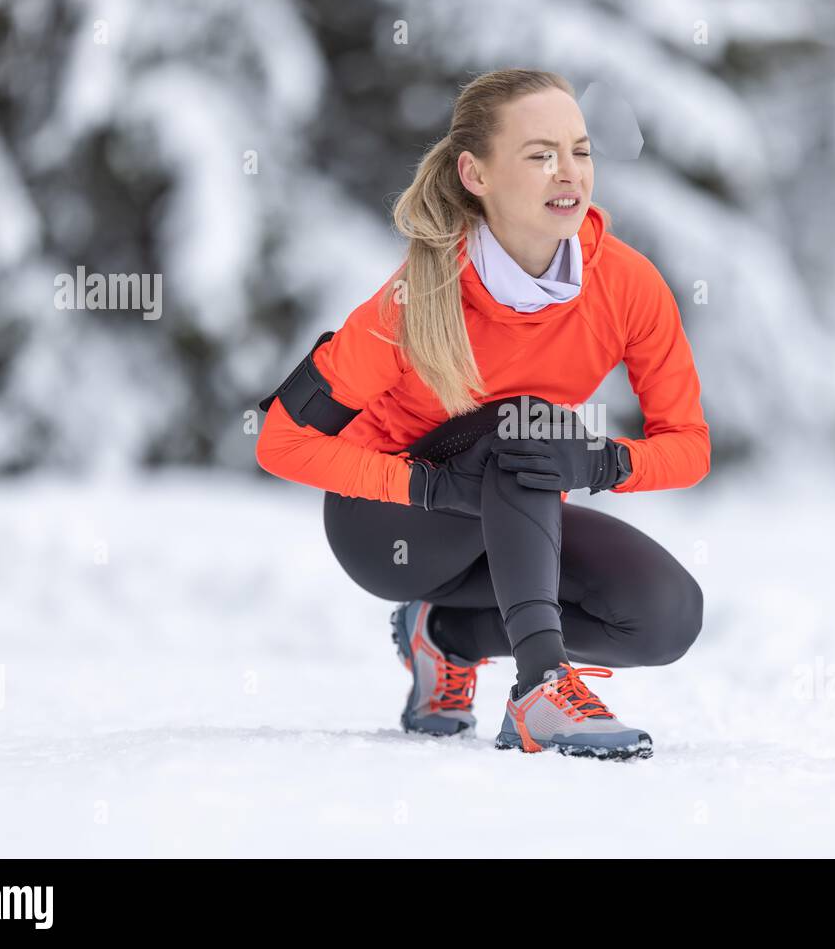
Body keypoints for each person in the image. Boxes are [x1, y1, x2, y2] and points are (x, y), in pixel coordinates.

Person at [255, 68, 709, 761]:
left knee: (664, 615)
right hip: (388, 526)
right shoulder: (414, 300)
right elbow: (279, 442)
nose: (569, 172)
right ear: (476, 173)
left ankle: (445, 636)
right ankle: (541, 689)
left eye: (580, 150)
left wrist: (606, 462)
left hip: (507, 522)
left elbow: (689, 446)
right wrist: (429, 486)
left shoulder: (628, 285)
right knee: (526, 421)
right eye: (539, 154)